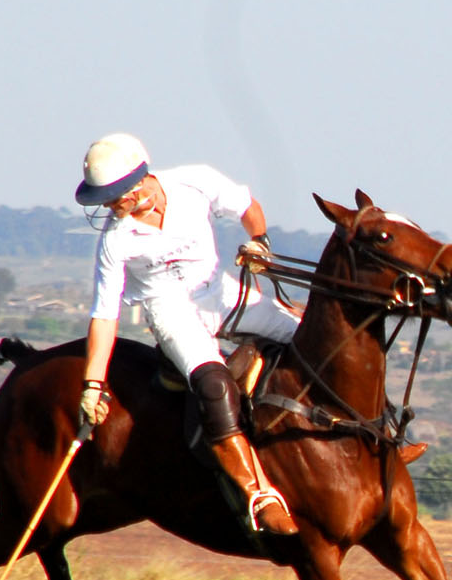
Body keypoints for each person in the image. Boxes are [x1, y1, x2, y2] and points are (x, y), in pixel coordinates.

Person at [74, 132, 302, 536]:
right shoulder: (115, 240)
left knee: (305, 337)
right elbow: (104, 315)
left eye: (114, 196)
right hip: (170, 310)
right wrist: (93, 382)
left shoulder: (195, 182)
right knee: (213, 384)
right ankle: (258, 494)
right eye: (105, 199)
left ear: (139, 180)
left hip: (220, 290)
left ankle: (376, 435)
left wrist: (259, 243)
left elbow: (248, 207)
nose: (110, 206)